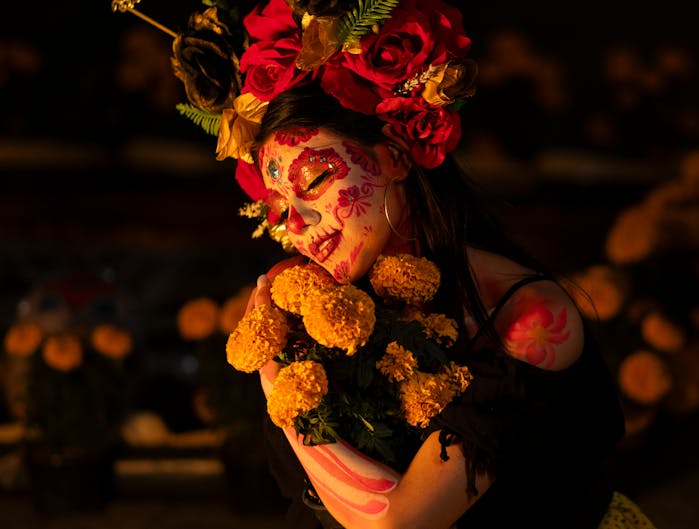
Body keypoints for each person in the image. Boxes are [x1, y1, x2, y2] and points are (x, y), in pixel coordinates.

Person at [154, 0, 659, 526]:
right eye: (277, 205)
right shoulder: (326, 308)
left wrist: (277, 379)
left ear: (393, 157)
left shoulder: (526, 319)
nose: (295, 223)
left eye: (314, 181)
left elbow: (399, 521)